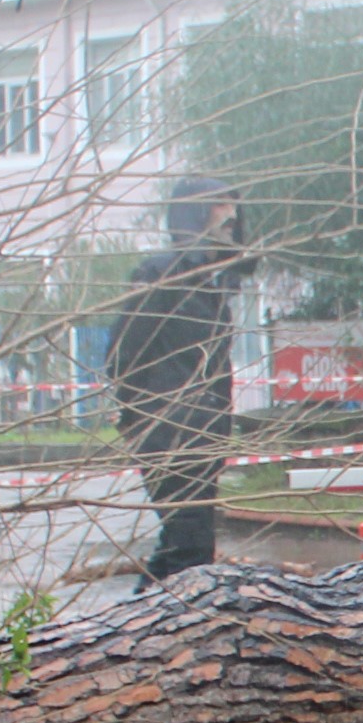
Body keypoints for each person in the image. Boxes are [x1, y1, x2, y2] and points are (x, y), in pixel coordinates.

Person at [110, 178, 247, 584]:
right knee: (189, 547)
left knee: (182, 547)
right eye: (221, 204)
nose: (231, 215)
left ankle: (142, 619)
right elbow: (124, 353)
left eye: (233, 204)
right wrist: (145, 416)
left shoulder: (214, 283)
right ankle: (161, 619)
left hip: (204, 434)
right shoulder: (160, 274)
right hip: (167, 432)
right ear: (196, 211)